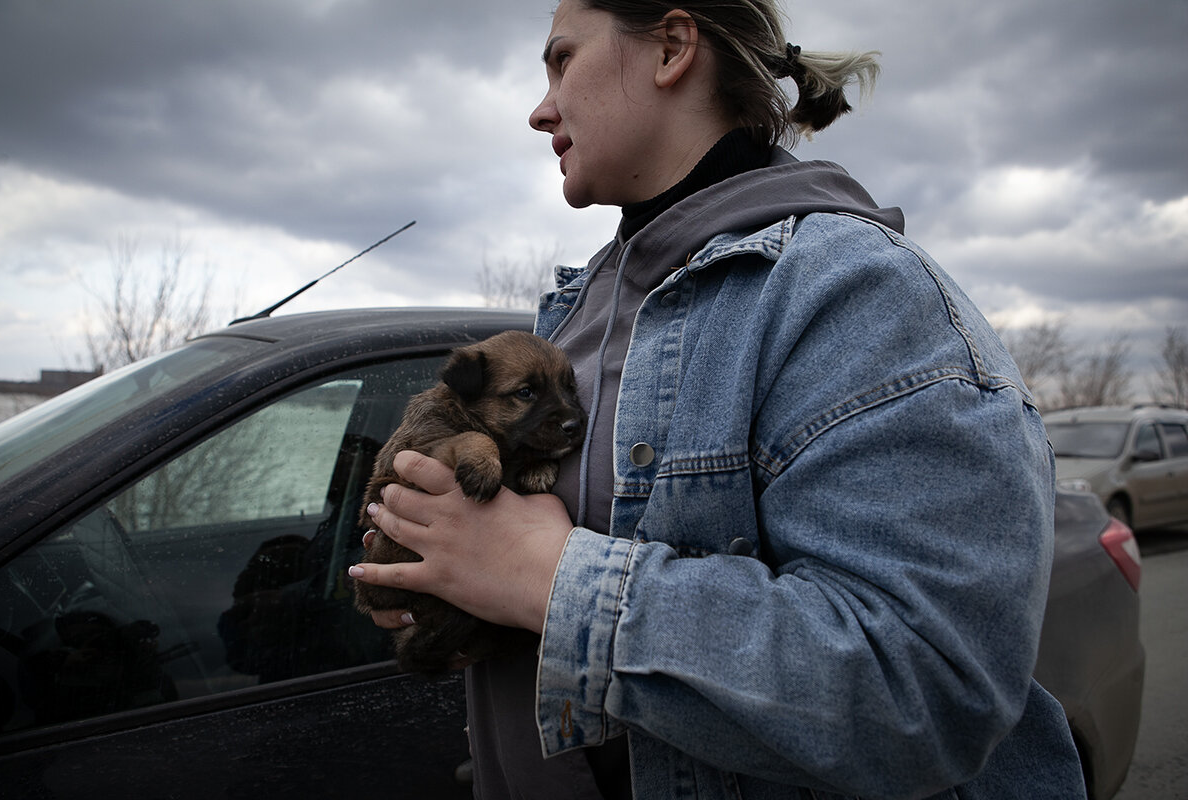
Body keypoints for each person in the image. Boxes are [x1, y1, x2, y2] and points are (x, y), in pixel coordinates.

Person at [349, 1, 1088, 797]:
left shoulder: (858, 294)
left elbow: (924, 694)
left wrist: (548, 578)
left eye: (562, 59)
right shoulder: (580, 308)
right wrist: (439, 578)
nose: (540, 108)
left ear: (672, 45)